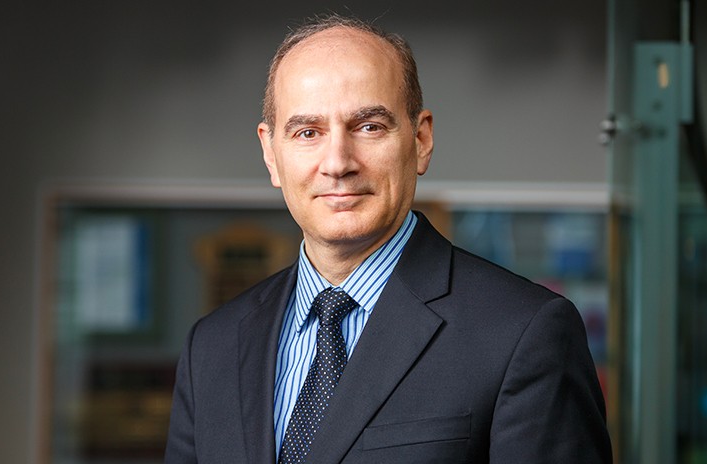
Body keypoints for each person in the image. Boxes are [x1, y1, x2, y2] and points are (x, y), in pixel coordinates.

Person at [165, 13, 612, 464]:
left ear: (420, 140)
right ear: (270, 154)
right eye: (308, 132)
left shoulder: (524, 333)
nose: (337, 162)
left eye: (368, 126)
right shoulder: (212, 347)